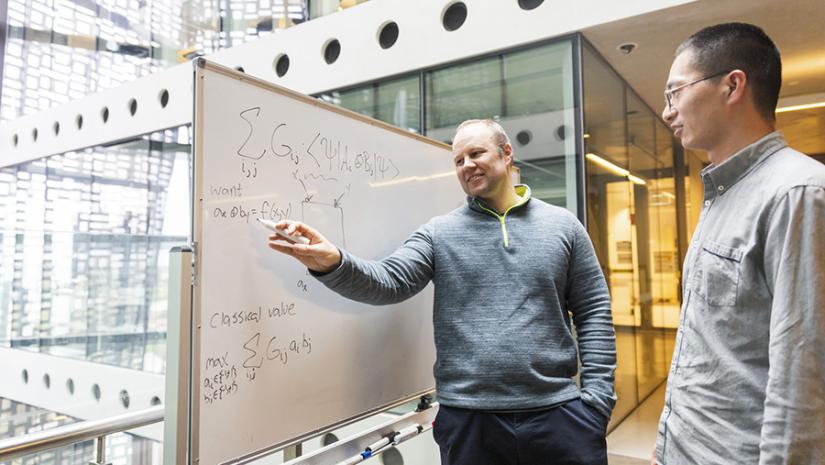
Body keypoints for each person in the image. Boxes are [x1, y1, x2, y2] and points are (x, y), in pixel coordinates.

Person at [268, 119, 616, 465]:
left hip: (558, 416)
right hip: (470, 422)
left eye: (476, 153)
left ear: (506, 153)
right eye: (458, 160)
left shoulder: (563, 226)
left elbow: (594, 311)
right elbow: (388, 281)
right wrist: (332, 261)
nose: (467, 165)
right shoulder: (439, 233)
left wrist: (597, 402)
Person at [654, 23, 825, 465]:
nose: (667, 111)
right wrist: (665, 444)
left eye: (675, 93)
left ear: (732, 85)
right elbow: (708, 345)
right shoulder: (721, 194)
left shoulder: (797, 192)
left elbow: (802, 372)